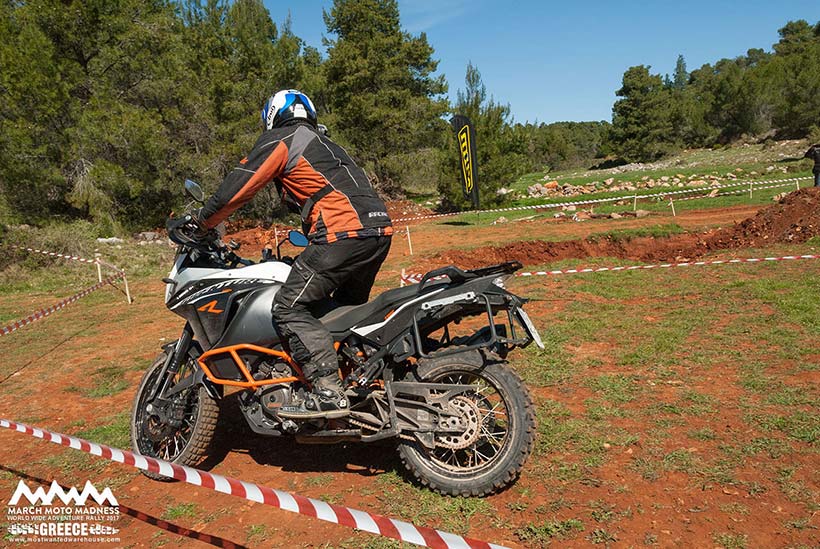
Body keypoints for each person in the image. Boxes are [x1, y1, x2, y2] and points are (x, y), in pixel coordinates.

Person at [198, 89, 393, 419]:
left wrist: (202, 222)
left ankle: (328, 389)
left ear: (272, 116)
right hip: (378, 231)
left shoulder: (284, 138)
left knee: (288, 307)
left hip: (342, 232)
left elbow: (239, 187)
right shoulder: (328, 145)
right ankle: (360, 380)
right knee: (343, 313)